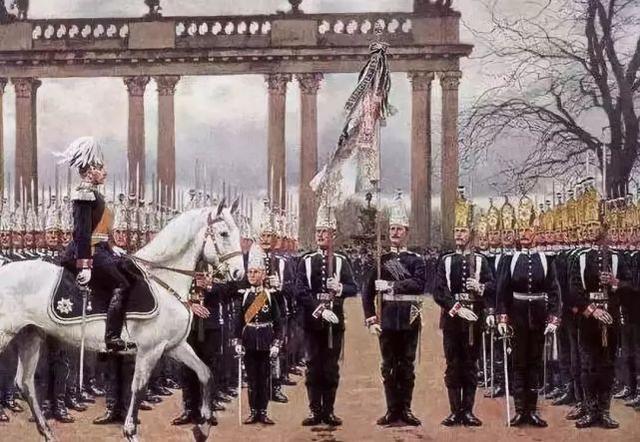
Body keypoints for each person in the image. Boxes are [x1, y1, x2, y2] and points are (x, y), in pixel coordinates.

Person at [57, 136, 136, 352]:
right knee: (122, 284)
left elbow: (99, 230)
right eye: (101, 168)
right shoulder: (84, 194)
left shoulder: (94, 194)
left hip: (100, 249)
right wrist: (85, 265)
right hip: (86, 252)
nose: (105, 172)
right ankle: (112, 337)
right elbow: (82, 233)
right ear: (90, 170)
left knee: (130, 271)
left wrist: (113, 247)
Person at [568, 184, 633, 429]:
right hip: (589, 318)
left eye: (596, 226)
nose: (592, 230)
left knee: (607, 365)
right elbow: (573, 291)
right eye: (588, 226)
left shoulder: (616, 257)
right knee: (588, 365)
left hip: (612, 317)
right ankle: (590, 408)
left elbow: (629, 285)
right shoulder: (581, 257)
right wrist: (592, 310)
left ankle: (604, 411)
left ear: (603, 228)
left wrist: (616, 283)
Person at [496, 195, 561, 427]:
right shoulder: (510, 260)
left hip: (539, 317)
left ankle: (532, 411)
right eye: (520, 230)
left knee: (535, 363)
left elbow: (554, 290)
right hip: (518, 317)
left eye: (528, 230)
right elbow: (502, 292)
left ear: (535, 232)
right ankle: (519, 410)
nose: (524, 234)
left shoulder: (546, 259)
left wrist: (554, 318)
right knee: (518, 363)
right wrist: (502, 317)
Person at [362, 190, 426, 426]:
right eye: (392, 229)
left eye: (399, 229)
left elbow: (419, 284)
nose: (395, 233)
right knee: (388, 365)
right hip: (387, 318)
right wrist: (370, 318)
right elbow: (366, 291)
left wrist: (391, 284)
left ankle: (406, 409)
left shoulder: (416, 260)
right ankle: (391, 410)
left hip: (409, 317)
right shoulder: (381, 260)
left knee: (406, 365)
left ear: (407, 232)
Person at [433, 187, 494, 427]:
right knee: (452, 364)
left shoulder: (480, 260)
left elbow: (492, 286)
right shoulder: (446, 260)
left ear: (470, 233)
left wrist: (479, 287)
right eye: (456, 230)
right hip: (452, 318)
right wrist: (456, 307)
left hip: (474, 319)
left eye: (463, 231)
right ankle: (454, 410)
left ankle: (468, 410)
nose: (459, 235)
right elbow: (439, 291)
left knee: (470, 364)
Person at [295, 204, 357, 426]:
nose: (321, 235)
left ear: (333, 234)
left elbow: (353, 288)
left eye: (325, 231)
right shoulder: (306, 260)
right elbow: (299, 290)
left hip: (334, 323)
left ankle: (328, 410)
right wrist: (319, 309)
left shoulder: (341, 261)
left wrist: (339, 288)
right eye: (318, 231)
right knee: (312, 365)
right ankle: (314, 410)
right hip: (312, 322)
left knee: (330, 367)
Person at [233, 247, 283, 425]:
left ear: (263, 274)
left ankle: (263, 411)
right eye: (250, 272)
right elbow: (238, 322)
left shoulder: (270, 296)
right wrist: (238, 341)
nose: (252, 275)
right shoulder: (244, 295)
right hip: (249, 341)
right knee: (252, 379)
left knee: (264, 378)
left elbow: (278, 322)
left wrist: (277, 343)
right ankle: (253, 411)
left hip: (266, 341)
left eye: (256, 272)